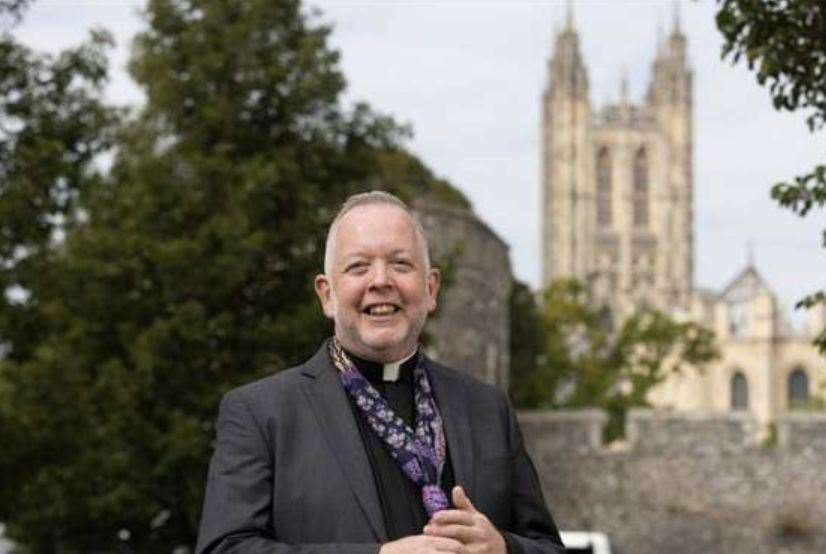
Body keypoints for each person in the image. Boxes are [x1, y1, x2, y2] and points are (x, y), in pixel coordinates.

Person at [195, 191, 565, 554]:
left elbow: (548, 547)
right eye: (358, 266)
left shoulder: (487, 409)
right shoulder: (262, 413)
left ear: (431, 288)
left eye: (401, 264)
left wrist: (503, 548)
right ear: (327, 295)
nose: (381, 280)